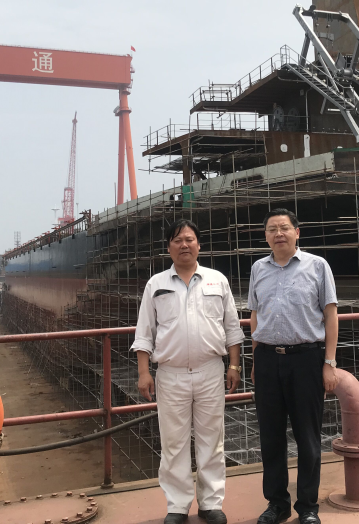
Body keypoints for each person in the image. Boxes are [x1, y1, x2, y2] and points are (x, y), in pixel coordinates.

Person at [131, 218, 244, 524]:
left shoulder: (217, 281)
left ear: (199, 245)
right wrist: (144, 372)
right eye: (178, 240)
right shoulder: (156, 284)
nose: (184, 245)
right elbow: (144, 332)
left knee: (212, 440)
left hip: (210, 372)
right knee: (173, 443)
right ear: (169, 248)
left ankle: (211, 503)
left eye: (189, 239)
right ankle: (178, 506)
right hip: (171, 374)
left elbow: (232, 328)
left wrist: (234, 366)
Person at [248, 208, 338, 524]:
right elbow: (255, 314)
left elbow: (330, 314)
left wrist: (329, 362)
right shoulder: (258, 268)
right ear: (266, 236)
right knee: (271, 437)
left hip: (306, 359)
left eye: (284, 227)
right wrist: (256, 358)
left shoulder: (317, 266)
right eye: (272, 229)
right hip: (267, 359)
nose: (279, 234)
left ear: (297, 232)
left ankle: (308, 507)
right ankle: (277, 504)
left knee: (308, 437)